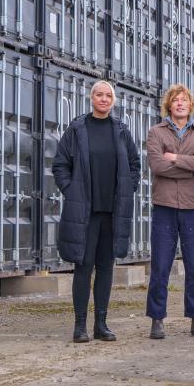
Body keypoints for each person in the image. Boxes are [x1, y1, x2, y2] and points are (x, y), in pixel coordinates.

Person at [52, 80, 140, 343]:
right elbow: (60, 164)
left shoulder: (121, 131)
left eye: (108, 95)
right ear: (91, 98)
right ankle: (80, 326)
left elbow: (135, 164)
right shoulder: (77, 129)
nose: (103, 99)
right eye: (99, 95)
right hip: (85, 212)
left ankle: (101, 324)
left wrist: (128, 188)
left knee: (105, 267)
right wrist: (72, 191)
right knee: (83, 266)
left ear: (113, 100)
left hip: (111, 212)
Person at [145, 84, 194, 339]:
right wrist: (190, 166)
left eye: (184, 100)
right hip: (164, 207)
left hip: (192, 208)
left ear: (191, 105)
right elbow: (157, 165)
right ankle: (157, 319)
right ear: (169, 105)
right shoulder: (156, 132)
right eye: (175, 100)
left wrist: (174, 158)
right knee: (160, 266)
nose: (179, 104)